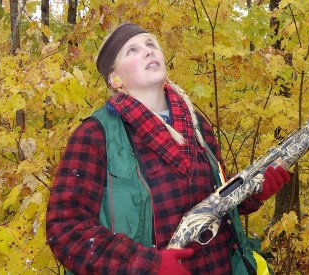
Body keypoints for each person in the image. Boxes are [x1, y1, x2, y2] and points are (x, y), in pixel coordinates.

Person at [46, 22, 290, 275]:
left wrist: (253, 192)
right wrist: (147, 266)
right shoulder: (95, 135)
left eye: (151, 44)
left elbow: (213, 204)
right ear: (115, 78)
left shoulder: (197, 125)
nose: (148, 51)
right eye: (132, 50)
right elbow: (65, 229)